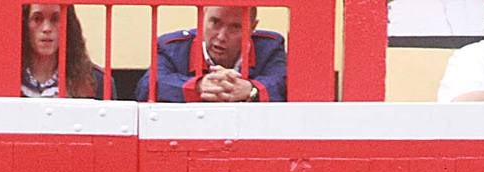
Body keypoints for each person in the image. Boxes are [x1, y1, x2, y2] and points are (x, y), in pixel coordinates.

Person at [134, 5, 286, 103]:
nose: (221, 36)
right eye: (215, 22)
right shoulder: (172, 48)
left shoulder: (269, 47)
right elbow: (147, 87)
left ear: (252, 28)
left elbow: (284, 84)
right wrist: (198, 87)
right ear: (202, 17)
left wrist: (251, 90)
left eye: (235, 27)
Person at [20, 3, 106, 99]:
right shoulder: (6, 77)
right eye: (37, 19)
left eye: (55, 19)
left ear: (68, 25)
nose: (46, 28)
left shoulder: (97, 81)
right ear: (24, 24)